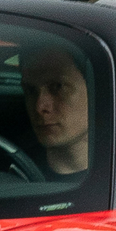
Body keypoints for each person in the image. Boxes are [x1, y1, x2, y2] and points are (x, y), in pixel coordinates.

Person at [21, 44, 92, 178]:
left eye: (57, 86)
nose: (39, 106)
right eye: (30, 91)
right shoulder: (9, 168)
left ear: (95, 90)